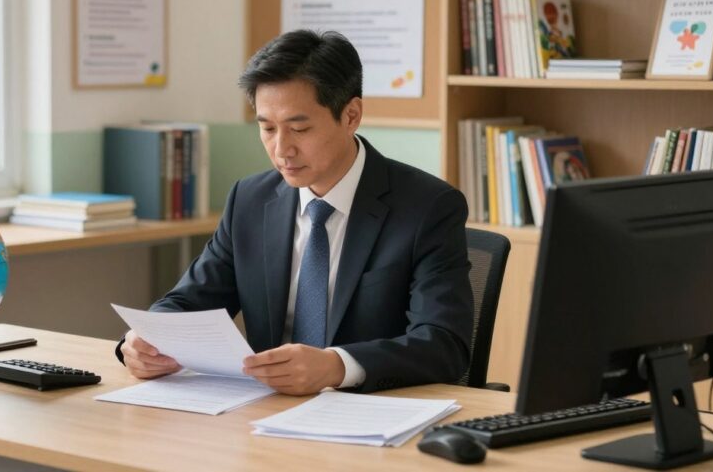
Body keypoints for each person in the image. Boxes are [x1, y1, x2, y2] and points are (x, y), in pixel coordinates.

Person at [116, 30, 473, 395]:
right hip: (265, 411)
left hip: (369, 413)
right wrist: (146, 340)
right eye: (267, 128)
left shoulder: (428, 207)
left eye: (299, 128)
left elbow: (444, 344)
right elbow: (188, 300)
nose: (282, 149)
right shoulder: (250, 200)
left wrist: (337, 366)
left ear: (351, 116)